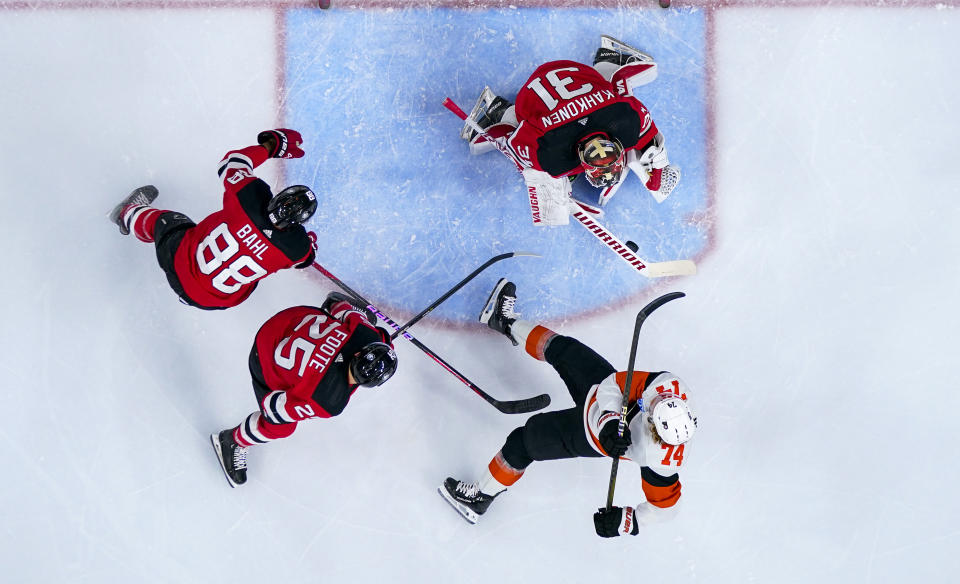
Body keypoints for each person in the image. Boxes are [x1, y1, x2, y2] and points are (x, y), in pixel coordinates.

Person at [439, 279, 697, 537]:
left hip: (588, 434)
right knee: (561, 348)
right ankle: (503, 321)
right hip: (602, 392)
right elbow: (614, 383)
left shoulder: (660, 461)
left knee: (522, 443)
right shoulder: (669, 386)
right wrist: (609, 420)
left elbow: (666, 510)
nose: (653, 401)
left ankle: (479, 497)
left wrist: (626, 521)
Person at [460, 35, 680, 225]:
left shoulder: (627, 121)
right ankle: (496, 111)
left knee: (611, 97)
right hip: (534, 94)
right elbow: (514, 142)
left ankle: (611, 61)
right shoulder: (548, 157)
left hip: (574, 75)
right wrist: (550, 182)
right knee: (521, 128)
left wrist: (656, 180)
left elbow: (652, 143)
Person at [108, 129, 317, 310]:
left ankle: (125, 214)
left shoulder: (249, 197)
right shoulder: (296, 248)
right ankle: (194, 294)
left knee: (167, 221)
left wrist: (272, 146)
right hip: (211, 301)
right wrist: (310, 246)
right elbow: (305, 259)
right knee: (255, 273)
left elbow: (231, 162)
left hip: (180, 262)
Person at [211, 293, 398, 487]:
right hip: (264, 352)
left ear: (360, 353)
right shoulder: (329, 400)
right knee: (281, 427)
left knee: (381, 337)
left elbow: (344, 310)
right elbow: (275, 408)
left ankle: (334, 315)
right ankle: (233, 441)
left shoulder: (366, 334)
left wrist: (337, 306)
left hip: (291, 319)